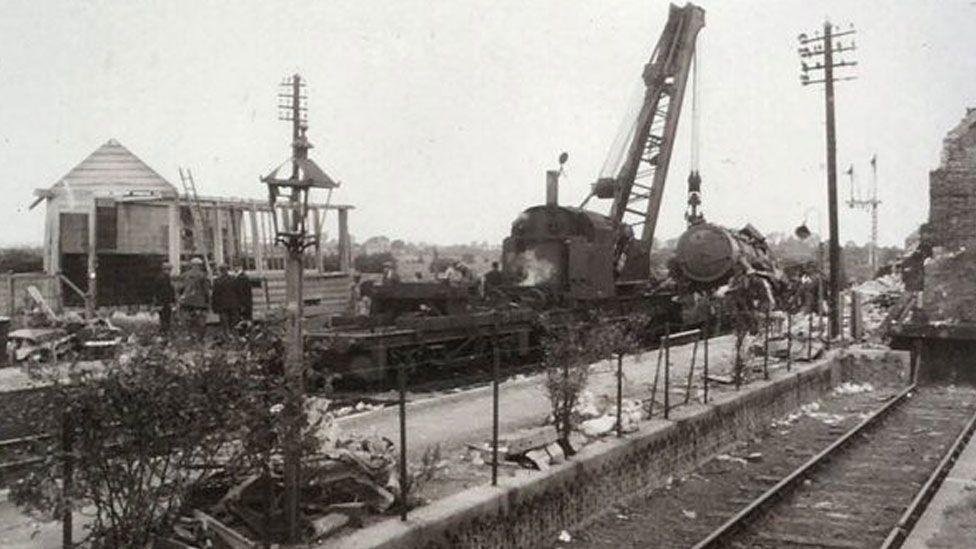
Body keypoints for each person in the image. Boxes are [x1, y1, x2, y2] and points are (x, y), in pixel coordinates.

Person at [179, 258, 211, 337]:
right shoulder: (203, 275)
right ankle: (199, 337)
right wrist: (208, 301)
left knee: (189, 319)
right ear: (200, 265)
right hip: (199, 302)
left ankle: (190, 335)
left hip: (187, 301)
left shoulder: (184, 275)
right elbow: (206, 290)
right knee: (200, 320)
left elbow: (180, 288)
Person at [212, 265, 239, 333]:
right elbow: (238, 291)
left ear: (220, 271)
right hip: (233, 303)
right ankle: (234, 334)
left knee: (224, 322)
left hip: (222, 305)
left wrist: (214, 306)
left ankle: (227, 334)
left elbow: (215, 294)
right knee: (234, 321)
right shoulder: (234, 279)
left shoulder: (217, 281)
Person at [153, 262, 176, 336]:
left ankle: (163, 331)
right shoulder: (166, 278)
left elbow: (156, 290)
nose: (170, 271)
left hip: (160, 301)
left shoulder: (159, 277)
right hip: (165, 302)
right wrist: (172, 300)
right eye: (169, 270)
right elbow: (167, 291)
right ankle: (165, 332)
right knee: (166, 318)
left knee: (162, 318)